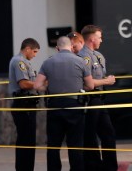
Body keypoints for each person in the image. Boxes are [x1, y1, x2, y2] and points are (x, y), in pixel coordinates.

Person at [34, 36, 94, 171]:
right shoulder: (80, 61)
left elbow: (37, 85)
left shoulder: (48, 62)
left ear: (57, 48)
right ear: (71, 47)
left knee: (53, 146)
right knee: (75, 145)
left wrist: (48, 88)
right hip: (75, 106)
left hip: (55, 106)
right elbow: (90, 86)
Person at [78, 25, 118, 171]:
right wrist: (106, 81)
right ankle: (93, 166)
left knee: (108, 133)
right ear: (92, 38)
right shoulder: (83, 57)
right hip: (90, 99)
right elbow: (86, 83)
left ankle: (110, 167)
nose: (101, 40)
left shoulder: (99, 56)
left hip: (100, 98)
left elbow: (99, 77)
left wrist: (105, 80)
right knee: (90, 136)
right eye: (99, 37)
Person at [8, 38, 41, 171]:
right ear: (27, 48)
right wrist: (40, 83)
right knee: (25, 140)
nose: (35, 55)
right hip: (23, 103)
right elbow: (23, 83)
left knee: (29, 140)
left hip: (28, 103)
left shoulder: (25, 62)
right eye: (34, 51)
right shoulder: (19, 61)